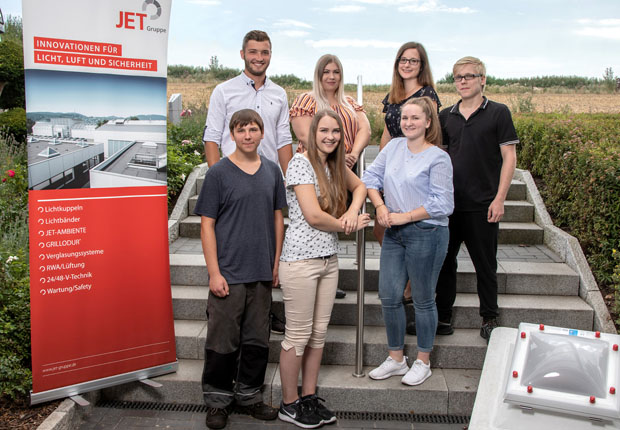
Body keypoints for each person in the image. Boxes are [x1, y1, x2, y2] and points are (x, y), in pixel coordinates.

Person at [195, 109, 286, 429]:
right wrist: (214, 272)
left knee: (257, 341)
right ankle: (218, 400)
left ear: (262, 134)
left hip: (260, 273)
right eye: (241, 129)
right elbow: (207, 226)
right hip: (228, 274)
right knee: (222, 342)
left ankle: (249, 396)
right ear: (231, 135)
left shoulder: (272, 172)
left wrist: (274, 264)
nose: (248, 135)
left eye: (253, 129)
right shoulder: (218, 173)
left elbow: (278, 219)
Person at [278, 110, 370, 428]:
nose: (330, 136)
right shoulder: (300, 164)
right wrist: (350, 226)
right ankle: (288, 404)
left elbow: (360, 188)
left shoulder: (335, 165)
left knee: (318, 336)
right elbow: (314, 216)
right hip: (301, 262)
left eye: (335, 132)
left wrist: (352, 212)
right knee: (298, 335)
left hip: (329, 261)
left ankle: (308, 398)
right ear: (313, 132)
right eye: (324, 131)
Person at [202, 29, 293, 334]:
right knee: (230, 248)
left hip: (267, 183)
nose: (258, 58)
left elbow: (283, 141)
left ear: (270, 55)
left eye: (264, 52)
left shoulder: (279, 94)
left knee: (268, 250)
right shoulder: (223, 91)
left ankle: (264, 310)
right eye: (253, 52)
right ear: (242, 54)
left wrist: (290, 183)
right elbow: (212, 139)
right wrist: (221, 180)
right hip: (232, 185)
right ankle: (219, 305)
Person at [362, 96, 453, 386]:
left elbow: (443, 203)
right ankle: (397, 359)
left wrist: (405, 216)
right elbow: (370, 177)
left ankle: (423, 361)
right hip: (394, 232)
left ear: (428, 122)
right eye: (404, 118)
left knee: (424, 299)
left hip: (427, 232)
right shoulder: (394, 148)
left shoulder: (438, 157)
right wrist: (380, 207)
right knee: (389, 295)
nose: (408, 123)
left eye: (415, 118)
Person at [434, 56, 518, 342]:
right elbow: (439, 159)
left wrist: (500, 199)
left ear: (483, 79)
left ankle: (489, 318)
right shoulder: (446, 116)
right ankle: (443, 316)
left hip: (483, 204)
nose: (464, 81)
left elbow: (509, 157)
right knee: (445, 262)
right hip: (450, 205)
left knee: (485, 264)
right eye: (459, 77)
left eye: (470, 76)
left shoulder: (498, 113)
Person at [289, 54, 371, 299]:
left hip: (341, 167)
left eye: (336, 72)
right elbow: (305, 134)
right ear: (318, 74)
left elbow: (365, 129)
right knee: (318, 218)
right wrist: (332, 152)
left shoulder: (349, 103)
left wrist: (352, 154)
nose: (331, 76)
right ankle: (314, 273)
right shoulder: (307, 99)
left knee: (334, 215)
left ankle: (327, 274)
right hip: (314, 168)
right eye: (326, 72)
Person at [374, 42, 441, 314]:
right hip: (394, 169)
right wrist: (382, 166)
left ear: (421, 65)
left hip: (416, 168)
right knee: (383, 228)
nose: (407, 64)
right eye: (403, 59)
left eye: (413, 60)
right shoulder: (393, 94)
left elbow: (433, 133)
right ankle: (402, 273)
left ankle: (413, 285)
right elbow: (387, 133)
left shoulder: (428, 95)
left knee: (413, 228)